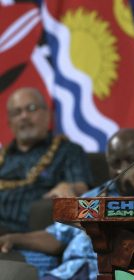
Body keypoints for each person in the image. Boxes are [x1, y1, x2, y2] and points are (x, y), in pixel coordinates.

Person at [0, 128, 134, 279]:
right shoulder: (94, 196)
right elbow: (57, 236)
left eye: (132, 160)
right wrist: (14, 238)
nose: (122, 170)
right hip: (69, 272)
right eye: (115, 163)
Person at [0, 87, 92, 233]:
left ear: (47, 114)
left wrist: (69, 187)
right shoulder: (3, 156)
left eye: (31, 108)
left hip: (34, 232)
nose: (24, 116)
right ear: (10, 123)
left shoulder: (67, 150)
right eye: (16, 112)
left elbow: (82, 187)